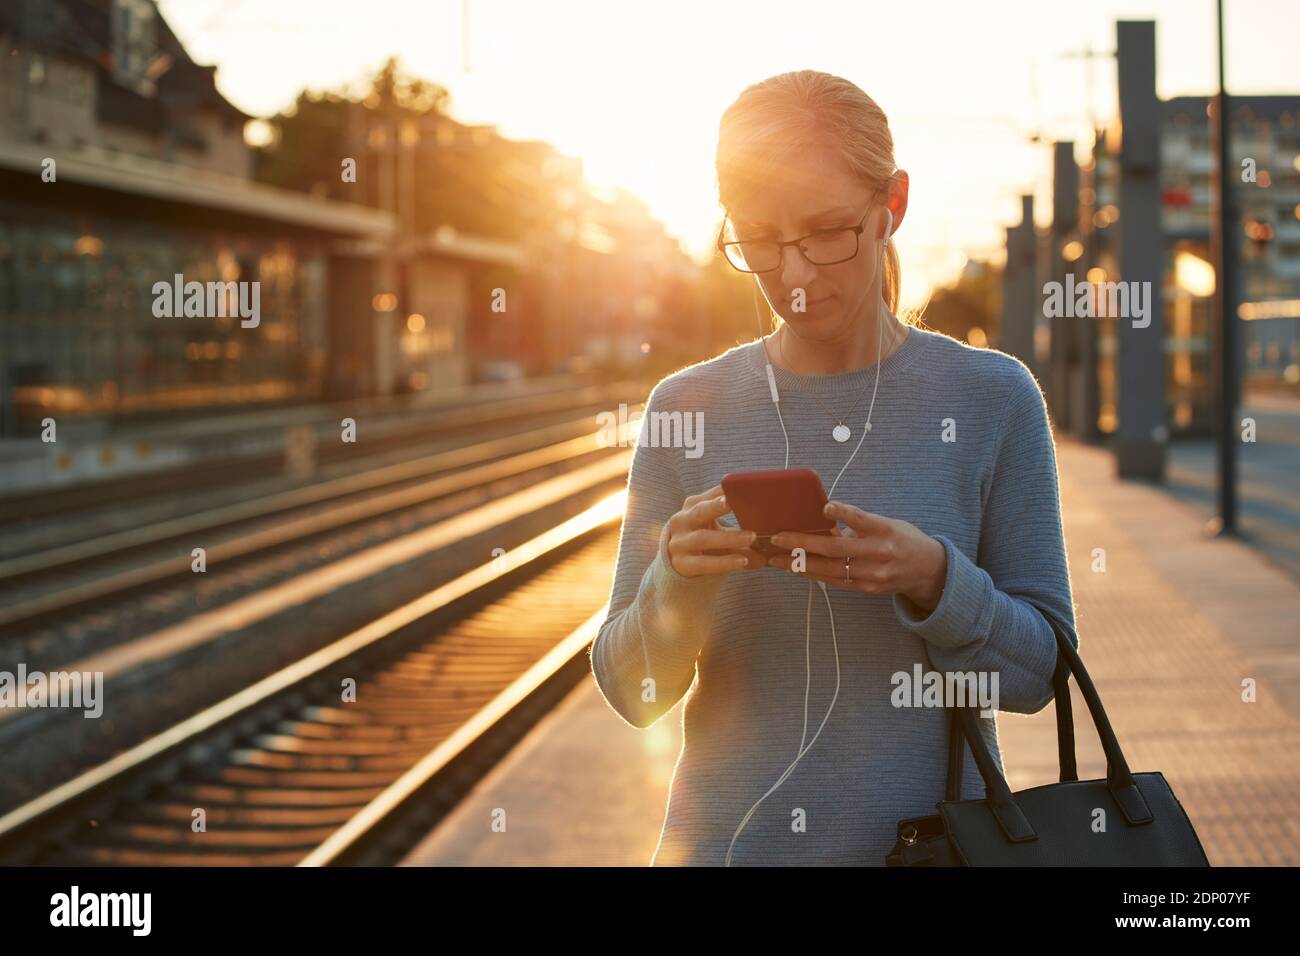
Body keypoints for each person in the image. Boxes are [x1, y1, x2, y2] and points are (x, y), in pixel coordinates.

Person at [589, 70, 1078, 866]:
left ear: (894, 206)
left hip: (928, 855)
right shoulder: (687, 407)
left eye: (824, 232)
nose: (794, 276)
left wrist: (934, 579)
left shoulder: (993, 399)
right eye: (756, 239)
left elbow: (1040, 675)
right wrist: (674, 584)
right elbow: (631, 694)